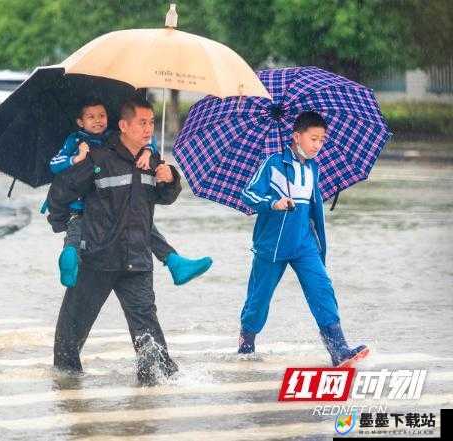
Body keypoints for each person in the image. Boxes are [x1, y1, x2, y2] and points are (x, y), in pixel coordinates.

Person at [49, 97, 181, 385]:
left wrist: (170, 178)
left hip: (137, 260)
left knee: (147, 328)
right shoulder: (99, 158)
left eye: (151, 123)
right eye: (142, 123)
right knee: (70, 334)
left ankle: (155, 388)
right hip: (97, 258)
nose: (148, 129)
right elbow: (61, 191)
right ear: (123, 125)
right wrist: (66, 226)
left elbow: (165, 197)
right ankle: (67, 390)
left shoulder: (152, 160)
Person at [238, 111, 368, 367]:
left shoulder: (313, 168)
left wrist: (318, 243)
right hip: (272, 246)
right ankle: (246, 344)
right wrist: (273, 202)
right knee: (258, 300)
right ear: (296, 137)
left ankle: (338, 349)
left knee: (322, 289)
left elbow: (311, 207)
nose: (318, 145)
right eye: (314, 139)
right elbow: (247, 194)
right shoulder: (272, 163)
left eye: (322, 140)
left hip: (304, 245)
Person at [47, 96, 212, 288]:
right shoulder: (76, 141)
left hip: (118, 221)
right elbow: (55, 168)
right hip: (82, 207)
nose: (98, 120)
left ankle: (174, 261)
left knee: (140, 221)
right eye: (91, 117)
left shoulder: (112, 137)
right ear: (80, 122)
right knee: (77, 230)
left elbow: (142, 143)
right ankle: (70, 258)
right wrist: (77, 158)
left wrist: (151, 155)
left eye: (102, 115)